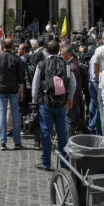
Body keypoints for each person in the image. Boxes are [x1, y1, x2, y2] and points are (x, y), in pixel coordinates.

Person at [31, 40, 76, 171]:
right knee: (62, 132)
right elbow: (73, 83)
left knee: (46, 132)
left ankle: (46, 162)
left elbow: (35, 84)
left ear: (46, 50)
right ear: (58, 51)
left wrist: (35, 101)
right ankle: (64, 162)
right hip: (61, 102)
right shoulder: (66, 64)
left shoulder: (42, 64)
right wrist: (70, 97)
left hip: (45, 102)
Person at [0, 37, 26, 150]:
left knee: (2, 114)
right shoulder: (17, 59)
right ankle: (17, 142)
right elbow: (21, 78)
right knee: (15, 115)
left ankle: (2, 142)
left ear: (3, 46)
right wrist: (22, 92)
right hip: (14, 89)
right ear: (12, 47)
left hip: (1, 88)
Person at [89, 30, 104, 135]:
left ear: (103, 38)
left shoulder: (99, 50)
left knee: (102, 111)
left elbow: (95, 67)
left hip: (102, 83)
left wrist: (100, 78)